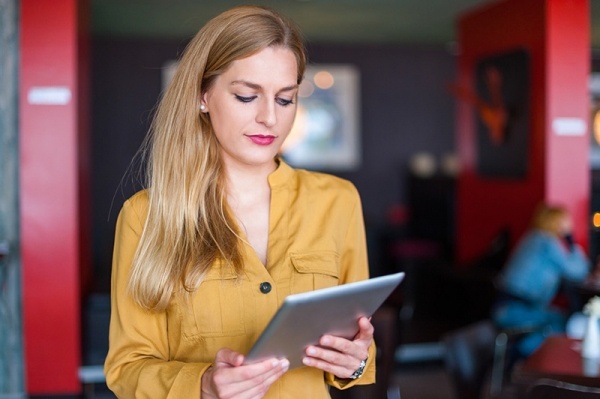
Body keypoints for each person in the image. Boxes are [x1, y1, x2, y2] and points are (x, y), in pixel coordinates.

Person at [104, 5, 376, 399]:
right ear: (203, 96)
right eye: (247, 96)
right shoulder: (145, 216)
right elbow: (126, 368)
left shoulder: (338, 200)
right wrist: (203, 385)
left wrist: (357, 361)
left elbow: (357, 345)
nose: (270, 118)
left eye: (285, 100)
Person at [492, 203, 591, 357]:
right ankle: (524, 360)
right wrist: (571, 241)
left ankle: (521, 357)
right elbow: (579, 272)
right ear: (557, 222)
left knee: (562, 319)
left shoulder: (533, 237)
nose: (569, 224)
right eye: (566, 220)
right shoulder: (546, 242)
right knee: (565, 323)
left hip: (506, 306)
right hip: (515, 310)